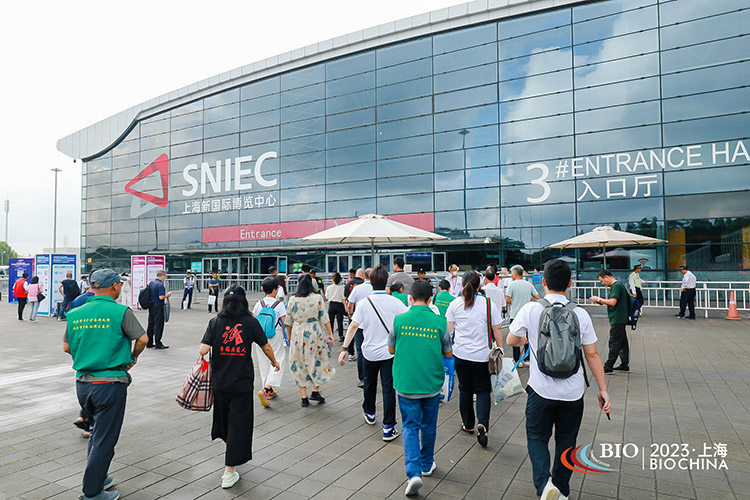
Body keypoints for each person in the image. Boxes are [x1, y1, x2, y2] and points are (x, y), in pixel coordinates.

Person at [507, 259, 611, 500]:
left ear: (543, 282)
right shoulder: (580, 313)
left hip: (541, 392)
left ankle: (544, 485)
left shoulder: (532, 309)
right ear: (570, 284)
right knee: (567, 442)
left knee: (537, 438)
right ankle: (561, 490)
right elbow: (592, 353)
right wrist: (603, 389)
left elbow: (511, 339)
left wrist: (529, 340)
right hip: (573, 393)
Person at [63, 269, 148, 500]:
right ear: (114, 287)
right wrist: (133, 357)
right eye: (119, 284)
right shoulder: (120, 311)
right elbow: (142, 339)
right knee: (104, 439)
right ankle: (92, 492)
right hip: (110, 383)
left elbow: (67, 347)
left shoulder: (76, 312)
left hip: (83, 383)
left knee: (97, 433)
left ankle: (100, 477)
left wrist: (87, 356)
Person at [199, 285, 280, 489]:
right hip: (241, 382)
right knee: (238, 425)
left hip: (220, 382)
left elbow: (203, 349)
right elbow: (266, 346)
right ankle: (229, 471)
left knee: (225, 421)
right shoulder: (250, 322)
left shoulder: (215, 322)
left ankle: (230, 449)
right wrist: (274, 362)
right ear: (244, 302)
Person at [389, 280, 453, 496]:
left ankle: (413, 472)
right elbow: (448, 353)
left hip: (406, 382)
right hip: (431, 383)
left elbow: (390, 349)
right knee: (428, 425)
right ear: (430, 299)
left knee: (409, 427)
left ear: (409, 297)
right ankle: (426, 464)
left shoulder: (399, 320)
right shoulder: (440, 322)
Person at [340, 264, 407, 442]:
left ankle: (369, 412)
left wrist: (344, 349)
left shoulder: (363, 303)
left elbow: (353, 326)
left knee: (369, 384)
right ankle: (388, 427)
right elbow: (406, 322)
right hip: (389, 353)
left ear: (370, 282)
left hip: (368, 352)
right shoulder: (396, 302)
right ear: (386, 281)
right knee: (388, 388)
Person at [446, 271, 502, 447]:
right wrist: (500, 348)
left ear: (463, 285)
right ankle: (482, 424)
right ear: (479, 285)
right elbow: (497, 328)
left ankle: (468, 424)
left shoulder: (454, 304)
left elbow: (449, 332)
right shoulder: (487, 303)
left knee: (465, 389)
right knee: (483, 390)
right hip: (482, 356)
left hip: (460, 354)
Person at [284, 274, 335, 407]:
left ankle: (304, 397)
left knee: (299, 362)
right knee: (316, 360)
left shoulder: (292, 299)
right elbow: (324, 318)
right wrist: (330, 334)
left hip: (297, 332)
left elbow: (288, 321)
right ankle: (315, 391)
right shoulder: (317, 298)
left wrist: (289, 336)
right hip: (314, 333)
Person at [253, 278, 288, 407]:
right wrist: (288, 336)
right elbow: (285, 322)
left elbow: (255, 321)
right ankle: (267, 387)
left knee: (264, 362)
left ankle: (268, 389)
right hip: (276, 334)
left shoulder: (258, 303)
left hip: (260, 336)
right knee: (278, 358)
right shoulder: (279, 304)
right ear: (275, 290)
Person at [590, 269, 630, 373]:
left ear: (607, 277)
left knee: (614, 342)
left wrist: (598, 299)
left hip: (617, 318)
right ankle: (624, 364)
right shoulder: (618, 285)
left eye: (602, 281)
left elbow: (612, 302)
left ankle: (608, 365)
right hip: (620, 317)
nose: (602, 283)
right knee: (622, 342)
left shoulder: (616, 286)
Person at [506, 265, 540, 366]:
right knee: (527, 338)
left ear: (515, 274)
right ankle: (527, 359)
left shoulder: (512, 285)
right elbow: (538, 297)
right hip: (528, 315)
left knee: (515, 337)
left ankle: (517, 360)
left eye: (512, 274)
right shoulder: (528, 284)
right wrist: (528, 298)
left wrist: (516, 299)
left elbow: (508, 300)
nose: (511, 276)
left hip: (515, 314)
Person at [347, 268, 374, 388]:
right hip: (373, 324)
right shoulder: (376, 288)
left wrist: (351, 314)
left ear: (364, 276)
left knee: (360, 351)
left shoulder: (357, 288)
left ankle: (363, 378)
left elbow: (350, 303)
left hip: (359, 324)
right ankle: (372, 374)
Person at [344, 268, 365, 363]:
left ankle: (351, 353)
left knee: (350, 332)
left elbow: (345, 299)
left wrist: (349, 312)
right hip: (363, 315)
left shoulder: (349, 284)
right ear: (363, 275)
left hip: (353, 313)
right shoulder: (364, 284)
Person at [146, 270, 171, 349]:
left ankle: (149, 342)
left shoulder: (151, 283)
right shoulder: (160, 285)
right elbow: (161, 297)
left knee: (151, 324)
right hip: (158, 306)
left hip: (151, 305)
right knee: (159, 324)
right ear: (163, 275)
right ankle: (158, 343)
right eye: (165, 275)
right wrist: (167, 295)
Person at [326, 272, 346, 342]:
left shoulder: (329, 287)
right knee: (340, 321)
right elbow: (343, 298)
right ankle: (341, 335)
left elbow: (327, 297)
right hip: (339, 305)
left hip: (331, 305)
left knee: (331, 321)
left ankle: (330, 335)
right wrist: (345, 306)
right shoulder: (341, 288)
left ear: (333, 279)